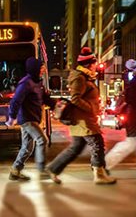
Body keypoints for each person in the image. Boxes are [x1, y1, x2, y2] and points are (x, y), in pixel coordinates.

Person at [46, 47, 116, 185]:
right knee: (97, 144)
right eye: (94, 63)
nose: (96, 66)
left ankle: (53, 168)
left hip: (82, 120)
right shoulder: (80, 78)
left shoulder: (85, 77)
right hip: (83, 120)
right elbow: (75, 98)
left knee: (76, 147)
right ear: (89, 64)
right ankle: (99, 175)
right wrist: (90, 108)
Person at [6, 57, 57, 181]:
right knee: (42, 140)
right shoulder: (26, 83)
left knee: (27, 147)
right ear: (34, 69)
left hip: (33, 118)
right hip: (27, 119)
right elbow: (16, 101)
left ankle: (15, 170)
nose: (43, 70)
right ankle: (42, 170)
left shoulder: (37, 83)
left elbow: (44, 98)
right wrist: (12, 117)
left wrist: (56, 105)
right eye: (41, 67)